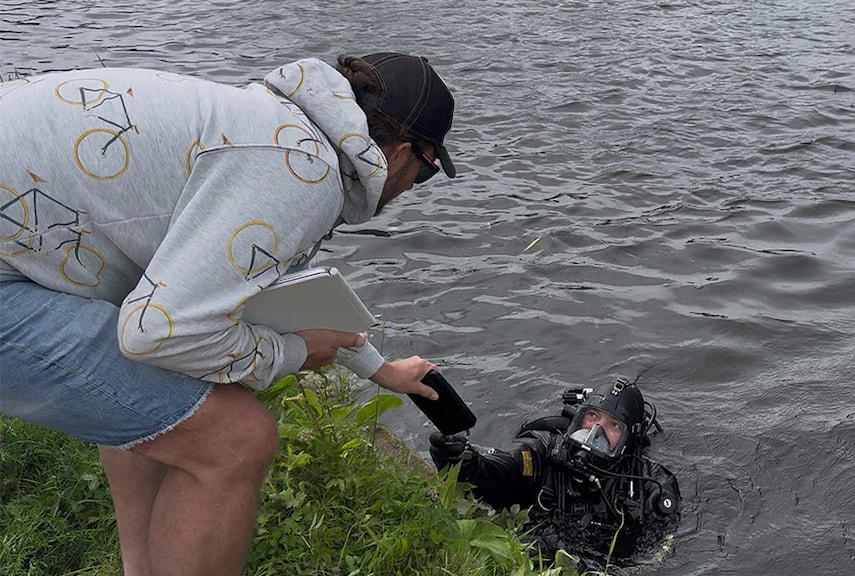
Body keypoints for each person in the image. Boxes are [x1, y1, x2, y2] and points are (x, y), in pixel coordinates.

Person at [0, 52, 456, 576]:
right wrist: (293, 352)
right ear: (400, 152)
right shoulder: (302, 171)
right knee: (234, 437)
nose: (410, 190)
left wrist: (381, 370)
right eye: (423, 175)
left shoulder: (279, 128)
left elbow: (262, 288)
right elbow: (156, 336)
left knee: (164, 401)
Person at [429, 378, 682, 571]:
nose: (595, 431)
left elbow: (660, 556)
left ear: (629, 441)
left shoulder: (651, 486)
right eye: (592, 416)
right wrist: (467, 463)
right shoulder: (544, 449)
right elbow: (503, 470)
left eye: (613, 426)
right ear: (579, 417)